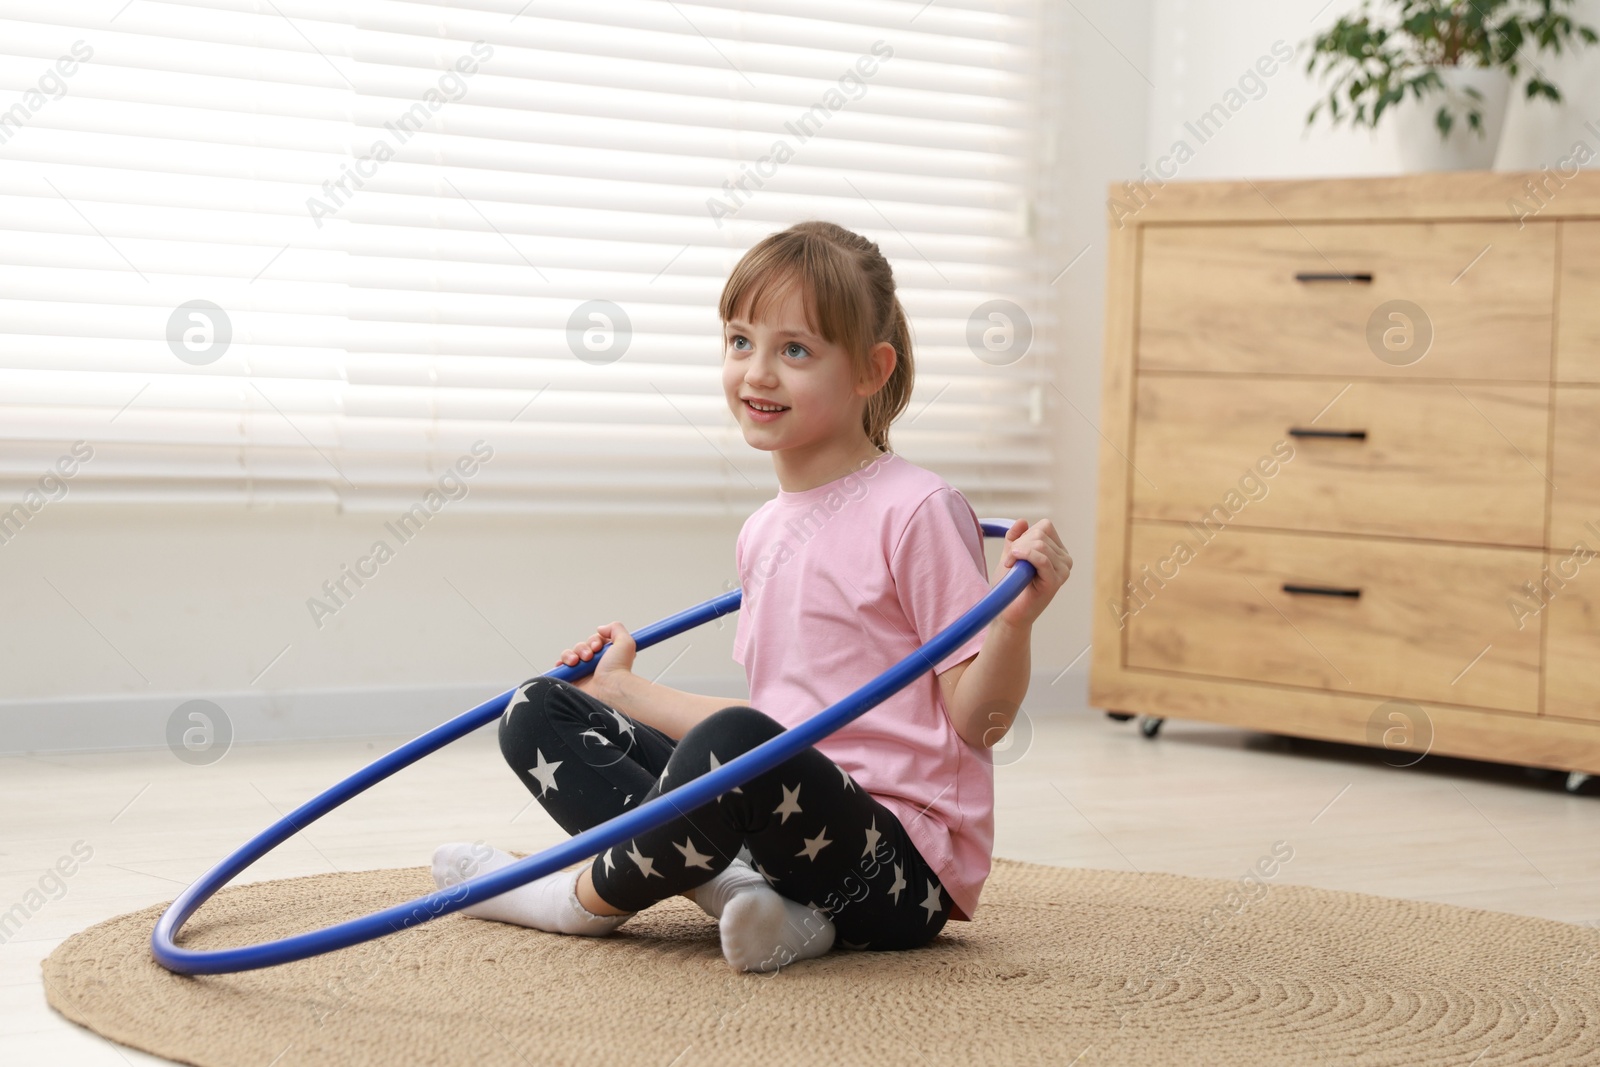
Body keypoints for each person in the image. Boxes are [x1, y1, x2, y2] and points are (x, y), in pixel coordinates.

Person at [431, 220, 1072, 973]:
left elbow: (980, 721)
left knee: (737, 746)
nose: (758, 373)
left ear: (871, 369)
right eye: (740, 342)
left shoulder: (919, 509)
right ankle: (756, 900)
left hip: (895, 873)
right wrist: (621, 690)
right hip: (782, 834)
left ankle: (570, 898)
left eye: (794, 349)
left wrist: (1016, 622)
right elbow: (779, 723)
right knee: (538, 708)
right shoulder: (764, 532)